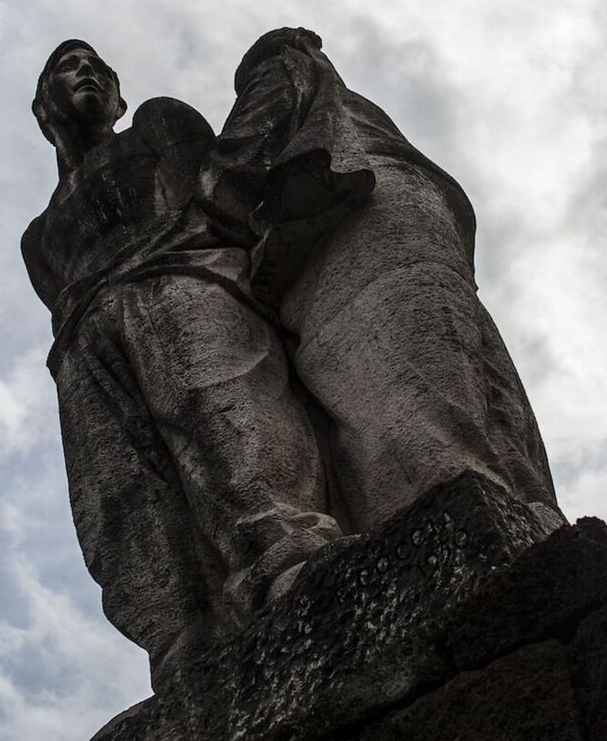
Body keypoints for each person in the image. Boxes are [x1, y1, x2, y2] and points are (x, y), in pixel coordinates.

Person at [22, 40, 341, 682]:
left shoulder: (159, 125)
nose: (84, 71)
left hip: (180, 275)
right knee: (117, 496)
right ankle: (180, 644)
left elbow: (220, 192)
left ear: (118, 95)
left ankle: (293, 560)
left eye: (96, 66)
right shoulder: (38, 236)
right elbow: (57, 292)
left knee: (222, 417)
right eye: (67, 65)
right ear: (42, 109)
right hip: (84, 337)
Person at [202, 27, 565, 534]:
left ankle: (458, 536)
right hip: (414, 213)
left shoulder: (284, 72)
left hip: (358, 224)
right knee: (480, 395)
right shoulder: (360, 109)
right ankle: (530, 525)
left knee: (410, 405)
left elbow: (231, 173)